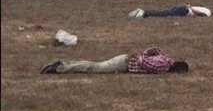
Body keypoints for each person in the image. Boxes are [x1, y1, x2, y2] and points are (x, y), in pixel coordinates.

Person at [40, 47, 189, 75]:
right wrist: (139, 56)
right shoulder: (164, 67)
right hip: (124, 64)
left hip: (123, 58)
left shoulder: (166, 58)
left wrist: (141, 53)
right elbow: (145, 64)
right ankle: (60, 68)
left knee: (95, 64)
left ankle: (64, 63)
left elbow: (154, 49)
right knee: (95, 68)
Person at [129, 4, 213, 18]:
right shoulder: (208, 12)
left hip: (184, 8)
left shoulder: (206, 10)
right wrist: (191, 8)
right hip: (185, 11)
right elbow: (199, 13)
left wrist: (190, 6)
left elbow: (199, 12)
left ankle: (145, 13)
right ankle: (145, 13)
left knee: (165, 12)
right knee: (164, 13)